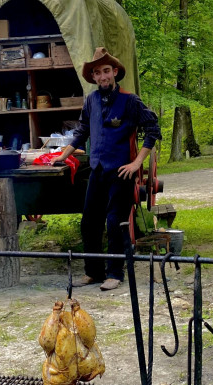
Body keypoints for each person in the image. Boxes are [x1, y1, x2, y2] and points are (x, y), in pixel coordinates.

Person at [51, 48, 162, 291]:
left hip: (121, 172)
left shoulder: (130, 101)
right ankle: (93, 271)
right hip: (98, 170)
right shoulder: (91, 100)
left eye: (106, 71)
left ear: (114, 72)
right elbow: (82, 132)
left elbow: (153, 131)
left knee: (115, 222)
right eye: (97, 72)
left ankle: (115, 273)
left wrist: (136, 164)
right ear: (93, 76)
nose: (102, 76)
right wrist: (62, 156)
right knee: (89, 221)